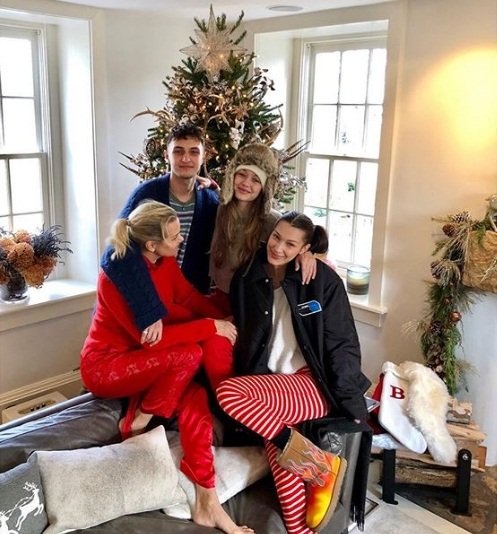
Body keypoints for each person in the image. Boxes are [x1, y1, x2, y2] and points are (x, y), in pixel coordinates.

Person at [81, 200, 253, 534]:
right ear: (151, 244)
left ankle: (207, 501)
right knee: (189, 355)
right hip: (108, 366)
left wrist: (225, 317)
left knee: (197, 402)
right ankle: (139, 420)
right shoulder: (118, 281)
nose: (181, 240)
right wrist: (210, 327)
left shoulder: (165, 261)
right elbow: (152, 342)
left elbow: (187, 297)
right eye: (174, 237)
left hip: (151, 366)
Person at [216, 212, 371, 534]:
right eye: (276, 237)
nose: (278, 247)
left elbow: (341, 342)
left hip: (311, 384)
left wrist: (351, 403)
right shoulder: (249, 275)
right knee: (282, 457)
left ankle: (319, 465)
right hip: (274, 385)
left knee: (229, 392)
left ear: (305, 248)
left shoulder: (320, 280)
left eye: (290, 244)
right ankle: (304, 520)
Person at [101, 123, 218, 346]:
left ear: (203, 157)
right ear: (167, 155)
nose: (186, 158)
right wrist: (149, 310)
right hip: (150, 301)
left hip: (187, 302)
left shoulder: (210, 200)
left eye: (194, 152)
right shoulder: (147, 194)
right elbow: (116, 251)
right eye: (178, 151)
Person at [209, 143, 315, 315]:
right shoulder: (221, 208)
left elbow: (301, 233)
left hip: (251, 301)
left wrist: (308, 253)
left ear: (264, 187)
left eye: (256, 180)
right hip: (220, 293)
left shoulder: (272, 220)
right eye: (241, 174)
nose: (246, 183)